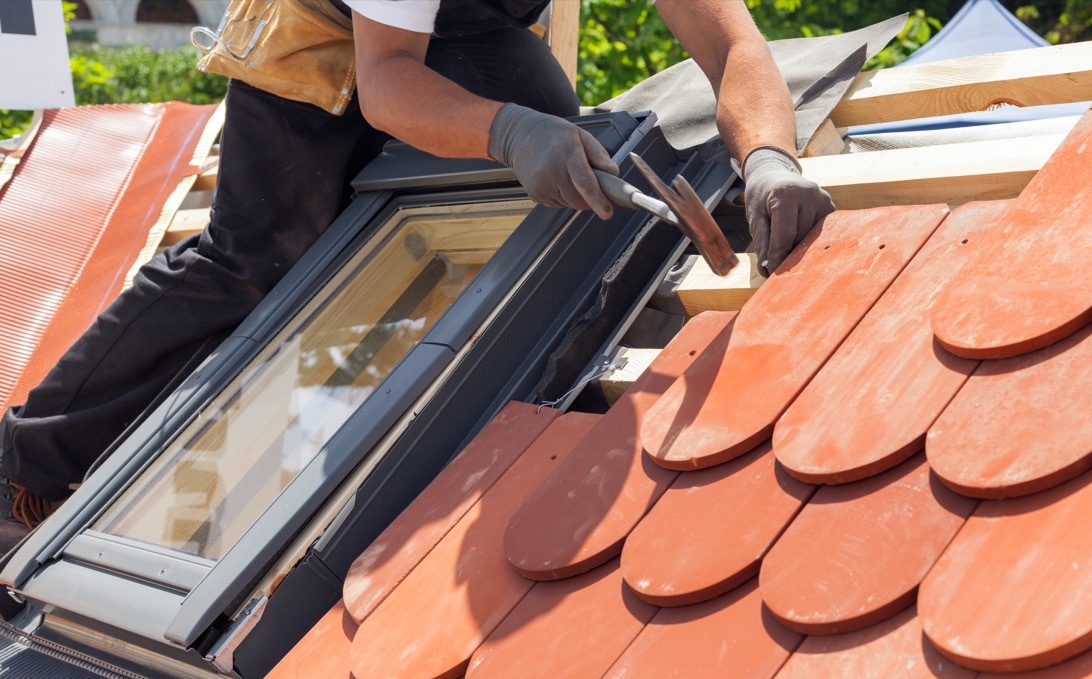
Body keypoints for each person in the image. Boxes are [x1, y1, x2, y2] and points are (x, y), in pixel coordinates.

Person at [0, 0, 833, 541]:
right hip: (319, 31)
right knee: (254, 260)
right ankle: (25, 465)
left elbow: (732, 45)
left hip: (467, 29)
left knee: (552, 137)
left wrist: (769, 158)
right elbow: (389, 80)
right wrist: (507, 134)